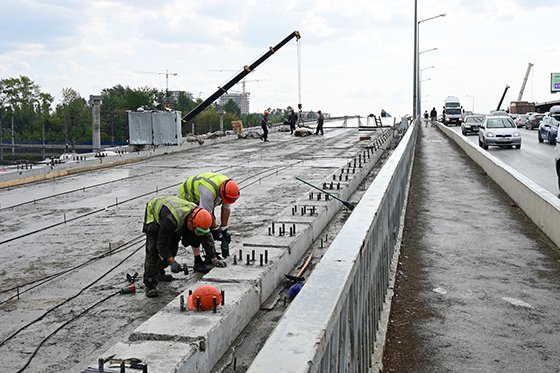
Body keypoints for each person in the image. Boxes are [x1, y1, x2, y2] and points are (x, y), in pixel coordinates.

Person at [142, 196, 226, 297]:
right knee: (153, 250)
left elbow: (206, 237)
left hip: (175, 217)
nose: (196, 232)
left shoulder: (199, 217)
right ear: (190, 221)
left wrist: (214, 259)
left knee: (172, 250)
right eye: (196, 230)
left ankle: (159, 271)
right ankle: (150, 284)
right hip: (155, 214)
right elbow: (161, 245)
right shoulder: (170, 220)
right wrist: (172, 262)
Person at [178, 172, 240, 259]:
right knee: (198, 226)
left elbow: (226, 209)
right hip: (188, 197)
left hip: (204, 197)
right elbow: (206, 216)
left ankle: (210, 254)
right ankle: (198, 259)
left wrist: (224, 229)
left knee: (209, 227)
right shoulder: (208, 191)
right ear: (221, 192)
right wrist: (216, 230)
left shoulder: (228, 188)